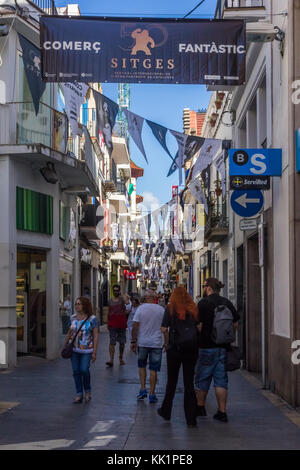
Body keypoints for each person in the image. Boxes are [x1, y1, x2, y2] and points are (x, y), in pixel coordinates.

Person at [194, 278, 240, 423]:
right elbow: (236, 323)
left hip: (206, 347)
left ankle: (200, 408)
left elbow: (197, 325)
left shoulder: (202, 303)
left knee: (203, 378)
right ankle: (222, 411)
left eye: (204, 286)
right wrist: (226, 336)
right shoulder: (226, 302)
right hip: (223, 348)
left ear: (208, 288)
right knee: (221, 381)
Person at [158, 287, 199, 427]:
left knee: (172, 382)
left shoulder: (170, 308)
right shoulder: (193, 307)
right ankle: (191, 418)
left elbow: (163, 328)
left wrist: (167, 340)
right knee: (189, 383)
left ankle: (166, 411)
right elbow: (199, 327)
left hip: (174, 349)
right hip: (191, 349)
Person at [62, 296, 99, 404]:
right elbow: (69, 333)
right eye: (76, 304)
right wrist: (64, 346)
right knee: (76, 371)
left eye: (79, 304)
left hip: (87, 350)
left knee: (84, 369)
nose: (77, 306)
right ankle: (79, 393)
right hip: (74, 349)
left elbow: (96, 335)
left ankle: (87, 390)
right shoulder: (72, 318)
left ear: (85, 305)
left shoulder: (92, 319)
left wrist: (95, 352)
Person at [130, 290, 165, 403]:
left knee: (142, 366)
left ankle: (143, 388)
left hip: (143, 342)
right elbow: (165, 328)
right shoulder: (161, 309)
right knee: (154, 369)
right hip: (156, 343)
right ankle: (152, 393)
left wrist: (133, 341)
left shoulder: (140, 309)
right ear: (155, 298)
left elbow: (135, 325)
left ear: (145, 298)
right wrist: (167, 342)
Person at [106, 284, 132, 367]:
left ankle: (121, 358)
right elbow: (108, 312)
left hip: (121, 324)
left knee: (121, 343)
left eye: (117, 290)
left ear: (119, 291)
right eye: (114, 290)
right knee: (112, 342)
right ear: (112, 291)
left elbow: (127, 302)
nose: (116, 292)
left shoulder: (122, 299)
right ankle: (111, 360)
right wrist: (107, 321)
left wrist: (122, 294)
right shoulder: (110, 301)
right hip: (112, 324)